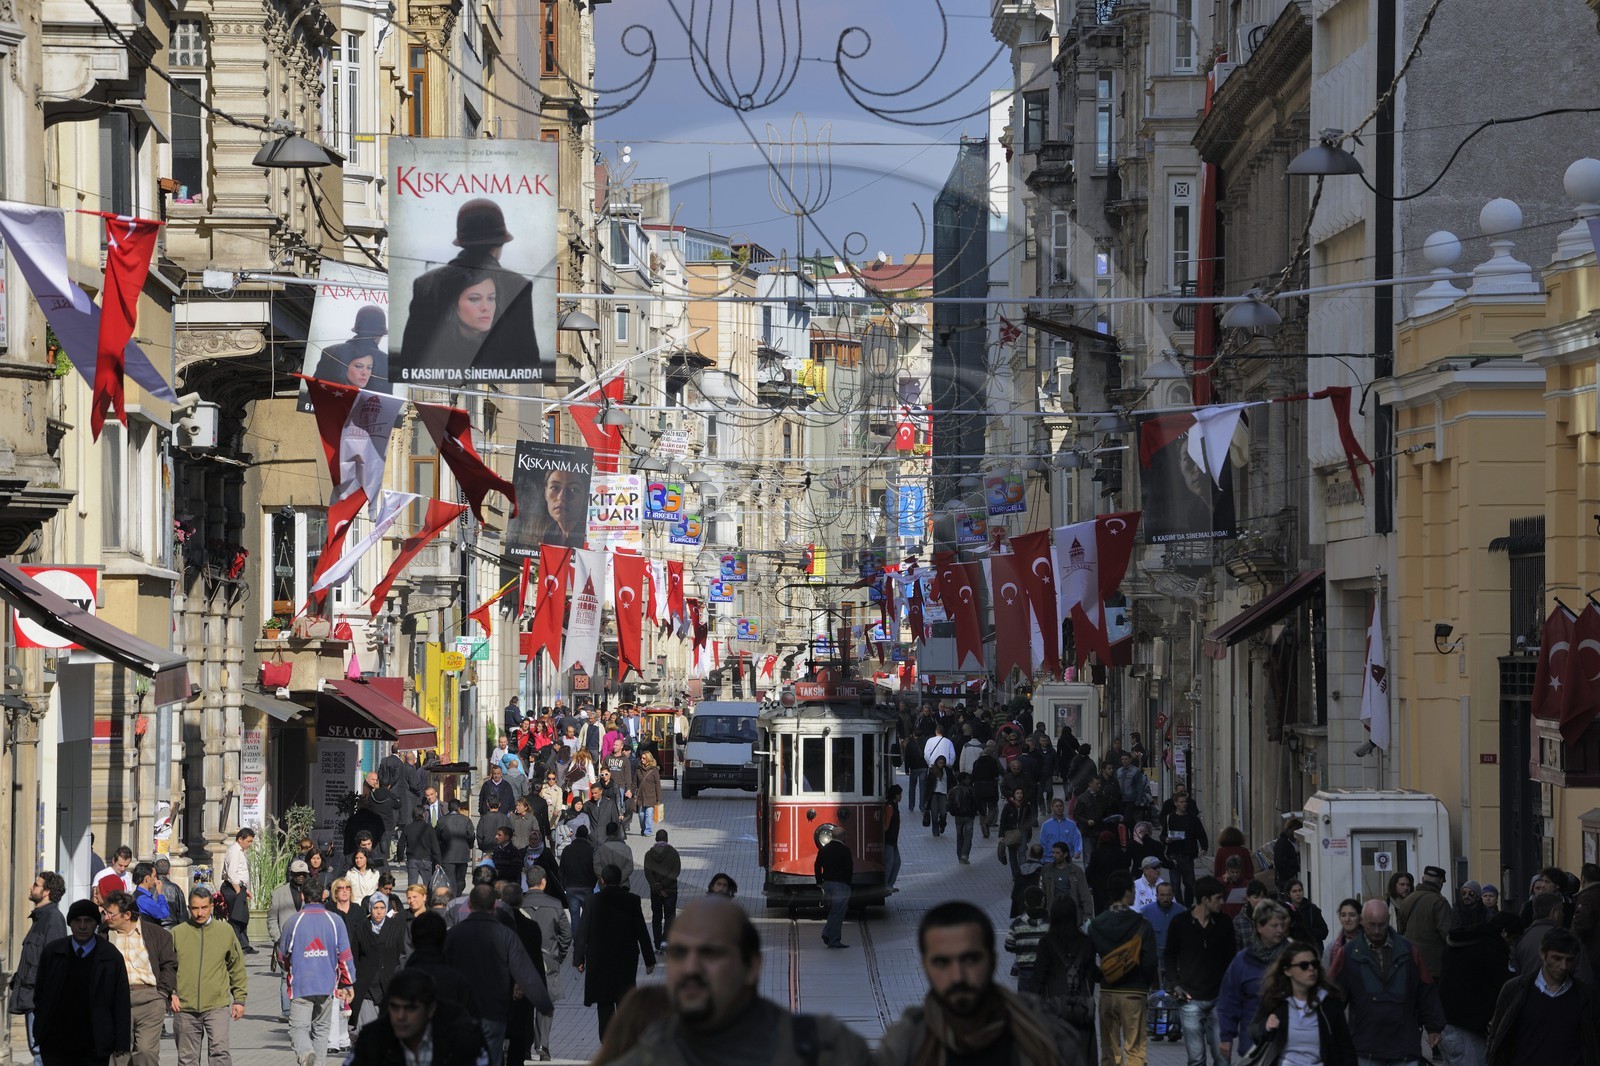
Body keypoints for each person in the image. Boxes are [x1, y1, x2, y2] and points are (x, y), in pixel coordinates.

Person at [598, 895, 872, 1066]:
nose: (691, 968)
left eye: (710, 953)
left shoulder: (823, 1050)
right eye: (679, 953)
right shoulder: (644, 1057)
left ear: (751, 965)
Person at [879, 899, 1068, 1066]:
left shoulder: (1043, 1040)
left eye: (970, 959)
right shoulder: (904, 1048)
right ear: (925, 966)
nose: (958, 976)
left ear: (993, 960)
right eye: (942, 962)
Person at [399, 197, 538, 381]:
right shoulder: (518, 285)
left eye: (491, 298)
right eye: (474, 298)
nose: (485, 306)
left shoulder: (426, 284)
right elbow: (528, 363)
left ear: (462, 242)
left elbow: (410, 360)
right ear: (499, 245)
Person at [443, 884, 552, 1066]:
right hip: (493, 1010)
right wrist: (543, 1003)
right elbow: (524, 970)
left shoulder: (454, 935)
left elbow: (442, 970)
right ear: (494, 906)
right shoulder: (506, 935)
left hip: (463, 1010)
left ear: (469, 905)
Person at [1327, 899, 1444, 1064]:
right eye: (1371, 925)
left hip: (1403, 1046)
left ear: (1389, 920)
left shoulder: (1409, 952)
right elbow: (1332, 996)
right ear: (1362, 921)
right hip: (1365, 1046)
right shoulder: (1348, 954)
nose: (1376, 931)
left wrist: (1433, 1027)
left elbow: (1426, 990)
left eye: (1381, 925)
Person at [31, 898, 132, 1065]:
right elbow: (40, 993)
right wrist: (41, 1028)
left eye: (88, 921)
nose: (83, 926)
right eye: (78, 921)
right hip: (56, 1041)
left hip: (94, 1042)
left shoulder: (110, 957)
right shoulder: (53, 952)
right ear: (70, 923)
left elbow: (120, 1002)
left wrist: (121, 1042)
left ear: (96, 924)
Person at [1485, 926, 1600, 1066]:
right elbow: (1497, 1037)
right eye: (1557, 958)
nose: (1563, 966)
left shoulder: (1585, 997)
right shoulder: (1515, 991)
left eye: (1569, 960)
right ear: (1542, 954)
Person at [277, 875, 355, 1066]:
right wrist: (348, 982)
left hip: (301, 984)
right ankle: (318, 1063)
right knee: (321, 1029)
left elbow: (282, 956)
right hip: (327, 984)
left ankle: (305, 1053)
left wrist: (289, 968)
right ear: (324, 896)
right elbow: (345, 956)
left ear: (303, 896)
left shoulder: (293, 921)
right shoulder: (335, 921)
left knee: (298, 1028)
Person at [575, 863, 656, 1039]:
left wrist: (579, 959)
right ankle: (626, 1040)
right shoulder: (632, 901)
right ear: (620, 881)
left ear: (601, 880)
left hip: (599, 963)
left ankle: (607, 1043)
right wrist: (650, 959)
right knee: (625, 1001)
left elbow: (582, 933)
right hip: (625, 962)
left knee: (604, 1005)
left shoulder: (591, 901)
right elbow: (641, 931)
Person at [344, 969, 490, 1066]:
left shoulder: (462, 1040)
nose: (401, 1016)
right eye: (395, 1007)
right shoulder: (372, 1039)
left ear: (430, 1009)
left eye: (411, 1008)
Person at [1087, 870, 1159, 1066]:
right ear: (1128, 892)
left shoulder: (1096, 924)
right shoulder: (1142, 924)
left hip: (1107, 992)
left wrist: (1101, 976)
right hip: (1134, 992)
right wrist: (1143, 982)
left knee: (1109, 1052)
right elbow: (1150, 961)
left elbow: (1087, 960)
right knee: (1135, 1051)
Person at [170, 886, 247, 1065]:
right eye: (195, 908)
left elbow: (236, 965)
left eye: (204, 907)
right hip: (184, 1007)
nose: (199, 913)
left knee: (220, 1054)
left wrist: (239, 999)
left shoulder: (225, 931)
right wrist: (171, 993)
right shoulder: (177, 933)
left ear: (212, 906)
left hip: (216, 1005)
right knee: (187, 1059)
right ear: (189, 908)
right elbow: (167, 968)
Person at [1246, 941, 1357, 1066]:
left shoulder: (1329, 1002)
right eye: (1304, 966)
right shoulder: (1276, 1000)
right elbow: (1252, 1030)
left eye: (1314, 964)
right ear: (1287, 971)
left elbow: (1346, 1048)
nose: (1311, 969)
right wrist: (1265, 1026)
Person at [1166, 876, 1237, 1066]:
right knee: (1196, 1059)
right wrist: (1175, 984)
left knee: (1223, 1058)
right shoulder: (1180, 923)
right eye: (1218, 898)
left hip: (1219, 999)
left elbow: (1232, 959)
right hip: (1190, 999)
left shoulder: (1224, 923)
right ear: (1205, 899)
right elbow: (1170, 956)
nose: (1222, 902)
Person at [100, 890, 175, 1066]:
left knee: (146, 1053)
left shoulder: (157, 934)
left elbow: (169, 965)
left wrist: (162, 993)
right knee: (119, 1055)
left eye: (111, 913)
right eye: (106, 913)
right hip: (117, 1002)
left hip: (149, 1000)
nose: (106, 917)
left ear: (127, 915)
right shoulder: (103, 936)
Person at [1023, 896, 1098, 1060]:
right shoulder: (1086, 942)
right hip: (1081, 1009)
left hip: (1054, 1009)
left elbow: (1038, 978)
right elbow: (1091, 976)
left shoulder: (1047, 942)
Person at [1439, 907, 1514, 1066]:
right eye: (1513, 940)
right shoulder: (1491, 948)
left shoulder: (1460, 943)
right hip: (1468, 1027)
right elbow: (1504, 983)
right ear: (1505, 933)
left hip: (1448, 1022)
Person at [1217, 898, 1291, 1060]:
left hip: (1289, 1043)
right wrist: (1226, 1037)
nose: (1279, 930)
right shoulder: (1242, 961)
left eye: (1282, 925)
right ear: (1259, 927)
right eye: (1274, 925)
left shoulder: (1295, 957)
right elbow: (1229, 1000)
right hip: (1253, 1043)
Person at [10, 870, 67, 1065]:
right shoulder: (40, 918)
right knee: (38, 1049)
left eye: (36, 885)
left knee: (41, 1051)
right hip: (31, 996)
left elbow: (54, 962)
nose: (31, 887)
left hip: (41, 999)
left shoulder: (53, 919)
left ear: (46, 892)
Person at [519, 867, 570, 1062]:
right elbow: (566, 935)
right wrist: (560, 955)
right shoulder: (555, 904)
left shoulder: (519, 903)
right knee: (545, 1004)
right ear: (544, 882)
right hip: (548, 960)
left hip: (522, 961)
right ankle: (543, 1046)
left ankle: (524, 1047)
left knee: (524, 1006)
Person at [351, 893, 408, 1034]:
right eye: (375, 907)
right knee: (369, 1028)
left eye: (382, 907)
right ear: (370, 908)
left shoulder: (396, 927)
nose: (379, 911)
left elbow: (402, 954)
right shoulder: (361, 928)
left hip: (388, 983)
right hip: (366, 985)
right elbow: (354, 956)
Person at [268, 859, 312, 1016]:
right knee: (285, 974)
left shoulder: (312, 892)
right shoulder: (279, 893)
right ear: (291, 874)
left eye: (303, 874)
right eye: (297, 874)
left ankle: (305, 1007)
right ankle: (287, 1010)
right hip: (286, 942)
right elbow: (272, 918)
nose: (300, 877)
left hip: (308, 942)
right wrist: (277, 938)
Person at [313, 304, 391, 392]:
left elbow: (314, 389)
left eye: (369, 368)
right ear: (379, 335)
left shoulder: (330, 351)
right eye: (358, 366)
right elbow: (387, 399)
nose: (364, 372)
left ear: (357, 329)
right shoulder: (386, 361)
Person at [1396, 864, 1453, 977]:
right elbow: (1447, 934)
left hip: (1410, 961)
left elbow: (1401, 929)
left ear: (1423, 879)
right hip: (1433, 966)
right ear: (1441, 881)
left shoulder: (1407, 900)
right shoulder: (1439, 902)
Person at [1162, 793, 1208, 906]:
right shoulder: (1170, 818)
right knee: (1175, 884)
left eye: (1185, 802)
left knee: (1189, 884)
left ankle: (1187, 906)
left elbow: (1201, 833)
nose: (1184, 804)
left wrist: (1204, 847)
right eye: (1181, 802)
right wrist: (1166, 840)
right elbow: (1163, 835)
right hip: (1173, 854)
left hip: (1188, 855)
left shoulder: (1192, 818)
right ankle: (1179, 905)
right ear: (1176, 803)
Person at [815, 824, 854, 949]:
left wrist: (819, 880)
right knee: (839, 913)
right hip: (840, 885)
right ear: (844, 837)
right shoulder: (845, 850)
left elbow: (817, 865)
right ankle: (834, 940)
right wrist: (848, 883)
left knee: (834, 910)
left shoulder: (824, 849)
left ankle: (827, 933)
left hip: (827, 884)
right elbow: (849, 869)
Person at [1513, 893, 1568, 977]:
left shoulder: (1522, 937)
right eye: (1561, 910)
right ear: (1554, 912)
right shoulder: (1565, 937)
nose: (1563, 914)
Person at [643, 829, 682, 951]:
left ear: (656, 839)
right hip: (671, 890)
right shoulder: (674, 853)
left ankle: (657, 943)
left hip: (655, 892)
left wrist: (657, 887)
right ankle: (667, 940)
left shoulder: (649, 854)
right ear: (667, 839)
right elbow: (676, 872)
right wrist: (665, 884)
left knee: (656, 917)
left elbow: (648, 873)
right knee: (670, 916)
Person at [1005, 886, 1051, 986]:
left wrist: (1022, 948)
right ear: (1043, 900)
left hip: (1025, 972)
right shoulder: (1050, 923)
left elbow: (1008, 945)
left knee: (1025, 1001)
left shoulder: (1018, 923)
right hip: (1046, 971)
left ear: (1025, 902)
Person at [220, 827, 255, 952]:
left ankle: (244, 944)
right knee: (236, 917)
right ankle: (236, 945)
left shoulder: (239, 851)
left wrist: (245, 890)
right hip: (233, 888)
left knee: (242, 916)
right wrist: (238, 890)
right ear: (240, 839)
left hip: (239, 887)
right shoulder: (234, 851)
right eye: (248, 841)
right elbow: (232, 873)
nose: (249, 844)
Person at [1042, 840, 1094, 921]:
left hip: (1071, 913)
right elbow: (1042, 893)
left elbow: (1085, 895)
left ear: (1065, 854)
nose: (1054, 855)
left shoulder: (1076, 871)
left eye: (1057, 853)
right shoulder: (1047, 870)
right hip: (1053, 913)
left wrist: (1088, 916)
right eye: (1053, 852)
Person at [438, 799, 477, 896]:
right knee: (460, 878)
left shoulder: (442, 820)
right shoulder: (466, 820)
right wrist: (470, 845)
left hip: (447, 855)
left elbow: (437, 836)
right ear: (459, 808)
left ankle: (454, 896)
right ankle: (457, 895)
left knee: (450, 879)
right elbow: (471, 835)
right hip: (462, 854)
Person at [401, 807, 441, 888]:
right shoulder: (429, 828)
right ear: (423, 815)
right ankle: (428, 900)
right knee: (428, 885)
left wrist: (399, 856)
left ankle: (412, 898)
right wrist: (438, 861)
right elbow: (435, 846)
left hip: (412, 859)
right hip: (426, 859)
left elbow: (401, 844)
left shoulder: (407, 828)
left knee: (412, 886)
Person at [1283, 879, 1330, 947]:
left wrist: (1308, 931)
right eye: (1294, 891)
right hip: (1292, 949)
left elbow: (1324, 932)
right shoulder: (1285, 910)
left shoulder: (1312, 909)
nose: (1298, 894)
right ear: (1288, 894)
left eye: (1300, 890)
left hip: (1311, 948)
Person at [1039, 797, 1084, 863]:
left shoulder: (1071, 824)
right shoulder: (1046, 825)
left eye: (1060, 806)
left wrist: (1077, 851)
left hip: (1066, 859)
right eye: (1056, 806)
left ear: (1063, 807)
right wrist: (1042, 859)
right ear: (1052, 808)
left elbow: (1077, 839)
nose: (1059, 808)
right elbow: (1042, 843)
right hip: (1050, 860)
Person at [1325, 898, 1361, 966]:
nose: (1347, 919)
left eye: (1352, 915)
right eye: (1343, 915)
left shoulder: (1369, 943)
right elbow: (1325, 973)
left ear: (1360, 917)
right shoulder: (1332, 947)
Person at [635, 752, 662, 837]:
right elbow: (634, 782)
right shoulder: (638, 769)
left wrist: (659, 798)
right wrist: (631, 791)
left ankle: (648, 831)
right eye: (641, 758)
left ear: (649, 759)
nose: (642, 760)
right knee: (641, 815)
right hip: (641, 797)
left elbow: (657, 784)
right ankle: (643, 829)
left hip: (651, 796)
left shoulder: (654, 770)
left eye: (644, 758)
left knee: (649, 814)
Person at [883, 784, 904, 887]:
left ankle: (889, 885)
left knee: (896, 862)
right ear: (896, 795)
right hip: (889, 840)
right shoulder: (890, 807)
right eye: (900, 794)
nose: (901, 796)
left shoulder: (894, 805)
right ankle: (886, 885)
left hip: (892, 840)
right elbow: (886, 825)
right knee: (890, 863)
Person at [155, 859, 186, 924]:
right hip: (171, 927)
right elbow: (182, 914)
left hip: (153, 928)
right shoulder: (175, 888)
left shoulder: (149, 887)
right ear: (169, 871)